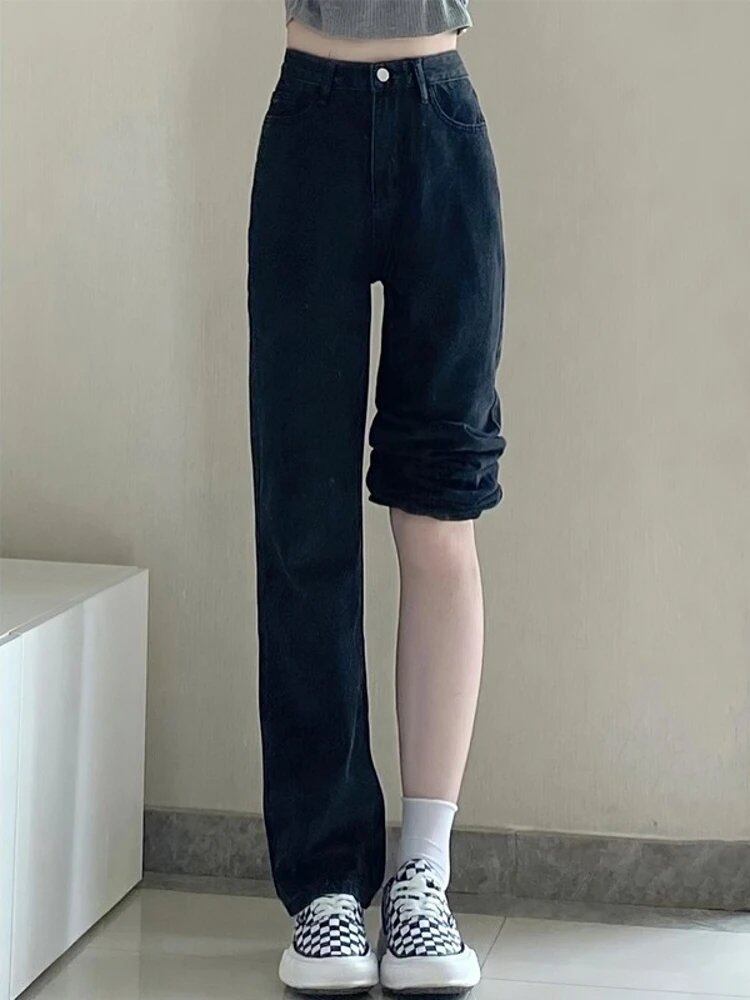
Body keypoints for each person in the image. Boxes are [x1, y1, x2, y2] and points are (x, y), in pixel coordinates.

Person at [247, 1, 505, 993]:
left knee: (440, 513)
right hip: (310, 122)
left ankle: (423, 877)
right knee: (305, 523)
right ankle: (325, 884)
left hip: (443, 125)